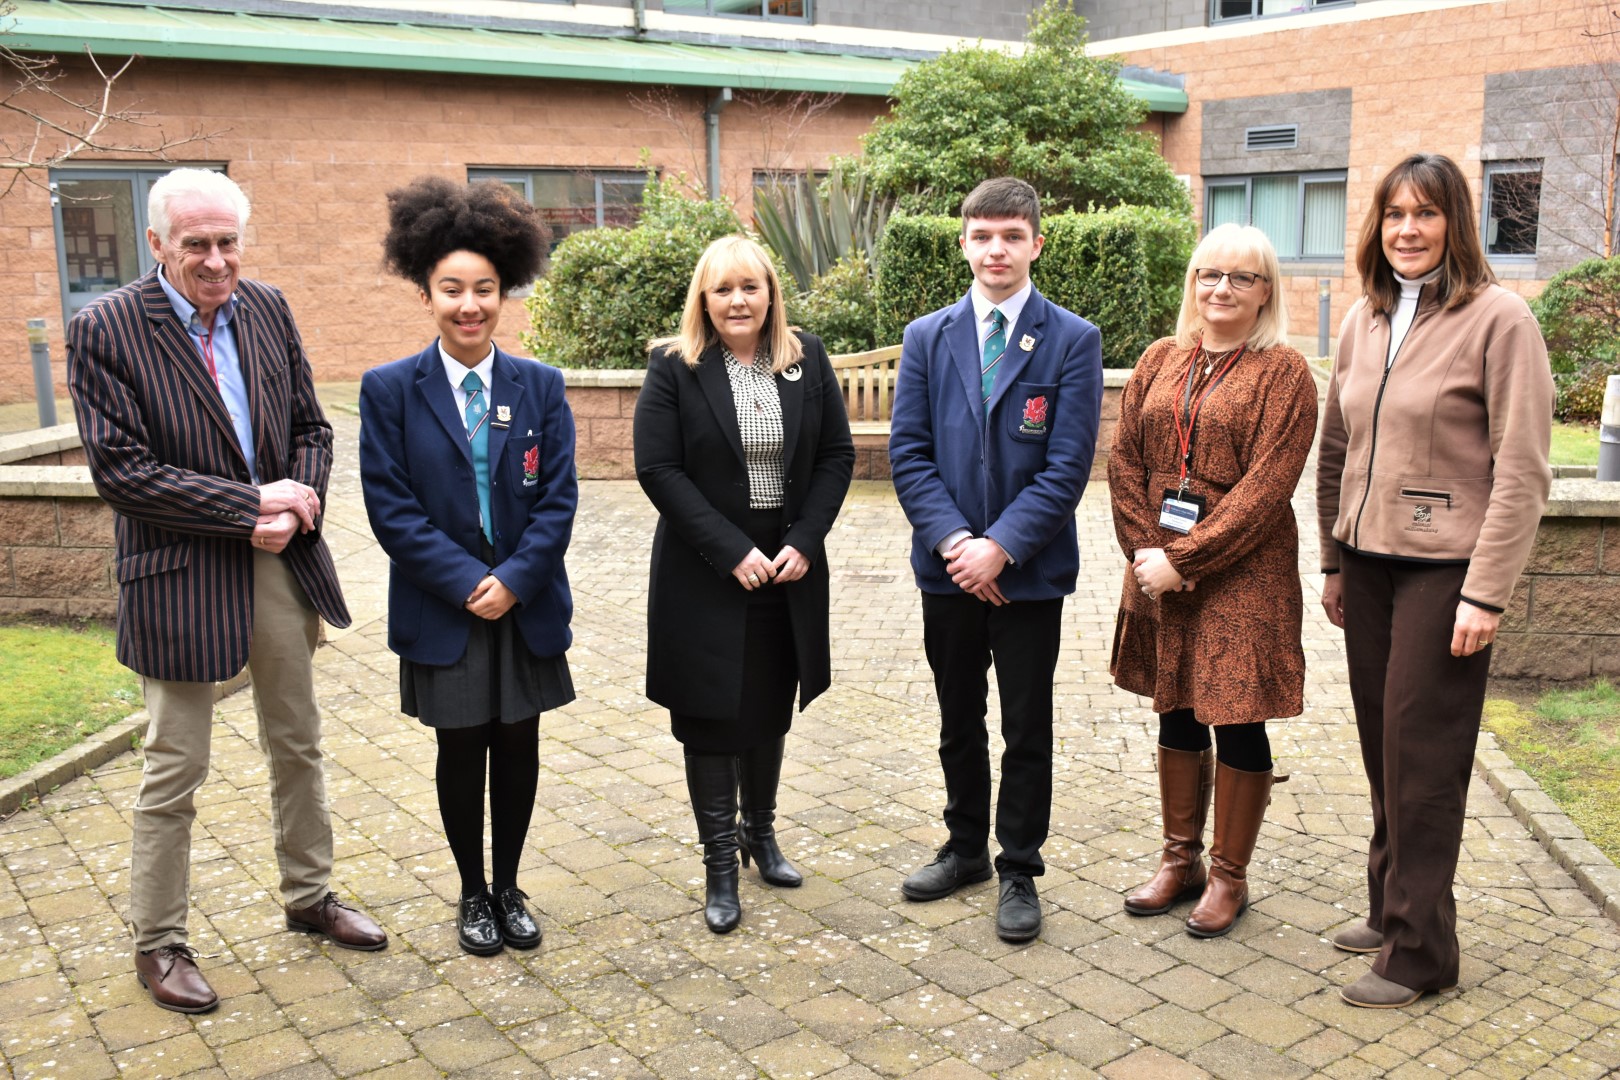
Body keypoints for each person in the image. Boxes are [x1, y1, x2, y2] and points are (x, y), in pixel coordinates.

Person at [67, 168, 386, 1014]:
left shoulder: (268, 307)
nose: (216, 261)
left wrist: (301, 497)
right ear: (157, 244)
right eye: (197, 244)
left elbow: (312, 426)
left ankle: (310, 896)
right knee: (176, 764)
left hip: (279, 560)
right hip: (178, 573)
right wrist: (249, 505)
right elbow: (123, 473)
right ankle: (158, 940)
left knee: (298, 739)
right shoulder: (105, 329)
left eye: (228, 242)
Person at [1318, 153, 1553, 1008]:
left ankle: (1423, 952)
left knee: (1424, 756)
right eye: (1393, 216)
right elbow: (1337, 446)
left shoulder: (1500, 321)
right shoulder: (1365, 319)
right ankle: (1391, 905)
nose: (1407, 230)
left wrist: (1486, 592)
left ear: (1457, 221)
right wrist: (1334, 559)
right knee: (1387, 747)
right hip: (1369, 563)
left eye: (1425, 214)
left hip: (1446, 570)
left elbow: (1523, 470)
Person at [358, 177, 577, 956]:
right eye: (452, 289)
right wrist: (464, 582)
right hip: (444, 608)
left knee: (519, 746)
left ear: (505, 290)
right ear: (426, 292)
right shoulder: (388, 390)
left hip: (524, 604)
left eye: (484, 289)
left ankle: (511, 886)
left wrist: (515, 579)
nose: (469, 305)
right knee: (461, 749)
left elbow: (558, 499)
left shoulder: (541, 387)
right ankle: (472, 894)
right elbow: (391, 510)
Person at [889, 177, 1103, 944]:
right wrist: (957, 545)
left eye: (1011, 235)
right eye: (982, 236)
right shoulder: (928, 337)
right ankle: (964, 848)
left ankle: (1019, 866)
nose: (996, 250)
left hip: (1028, 576)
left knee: (1025, 724)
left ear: (1036, 243)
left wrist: (1001, 548)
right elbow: (909, 454)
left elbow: (1067, 467)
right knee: (957, 719)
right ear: (963, 243)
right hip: (947, 572)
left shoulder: (1072, 339)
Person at [633, 235, 854, 935]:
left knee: (766, 704)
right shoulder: (675, 367)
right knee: (710, 715)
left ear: (770, 294)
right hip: (705, 572)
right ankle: (720, 865)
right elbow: (658, 469)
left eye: (750, 287)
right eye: (723, 289)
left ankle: (762, 836)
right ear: (704, 297)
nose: (738, 301)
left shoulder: (805, 358)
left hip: (786, 569)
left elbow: (836, 456)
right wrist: (731, 550)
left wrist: (804, 540)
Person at [1107, 223, 1315, 939]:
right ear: (1193, 283)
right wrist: (1147, 554)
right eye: (1209, 274)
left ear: (1266, 294)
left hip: (1242, 570)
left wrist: (1185, 559)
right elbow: (1124, 461)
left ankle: (1229, 876)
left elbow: (1267, 490)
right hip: (1158, 562)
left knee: (1235, 712)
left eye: (1242, 278)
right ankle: (1179, 860)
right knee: (1176, 705)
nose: (1221, 288)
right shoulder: (1161, 358)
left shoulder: (1284, 372)